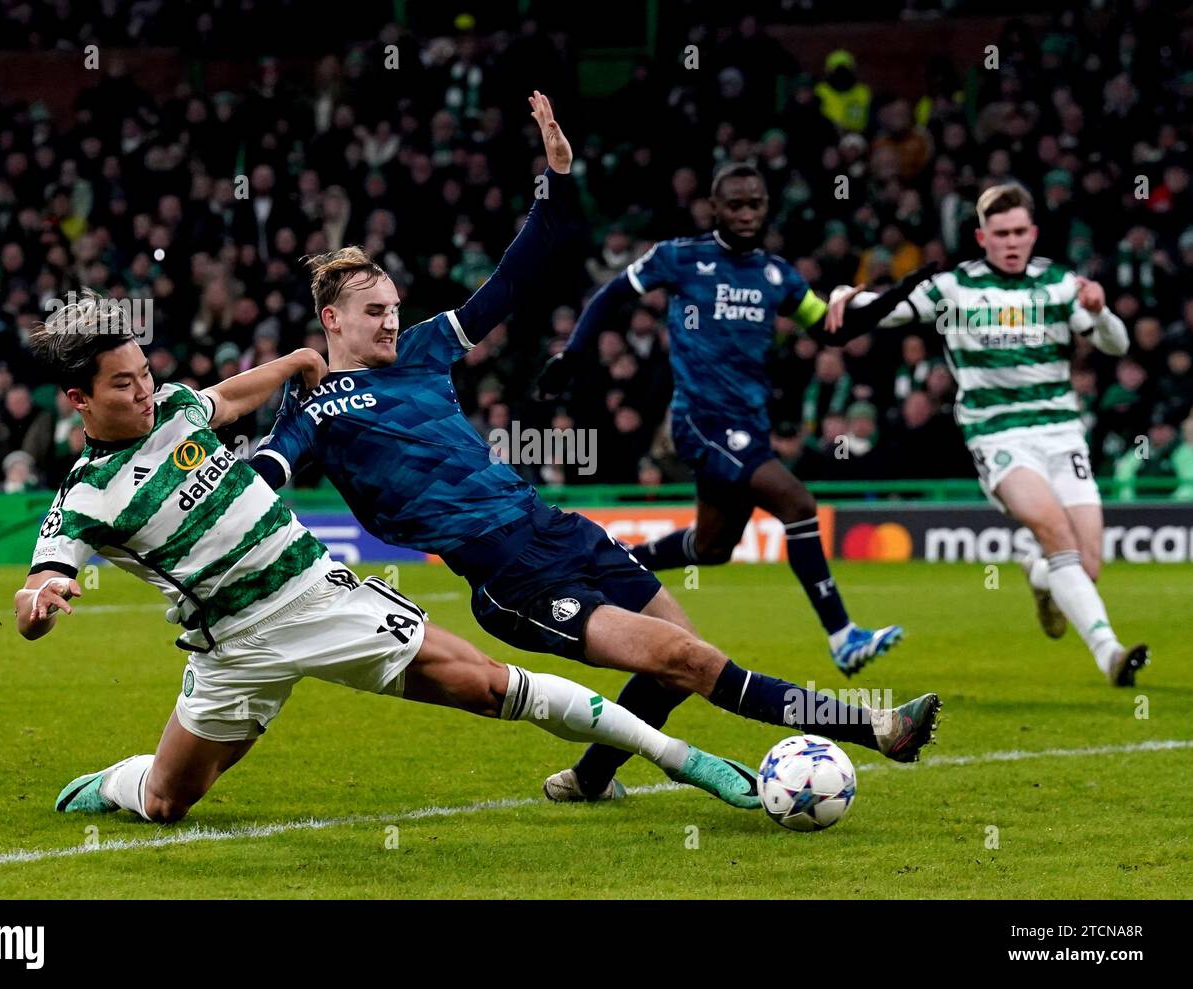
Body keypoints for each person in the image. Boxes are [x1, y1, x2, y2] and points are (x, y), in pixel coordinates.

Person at [250, 95, 941, 804]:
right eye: (376, 312)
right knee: (688, 658)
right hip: (509, 575)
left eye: (395, 306)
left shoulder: (424, 349)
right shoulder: (314, 403)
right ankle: (875, 726)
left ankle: (589, 777)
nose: (393, 320)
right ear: (331, 319)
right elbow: (269, 468)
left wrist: (554, 178)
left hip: (558, 528)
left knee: (681, 657)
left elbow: (511, 280)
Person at [18, 292, 790, 822]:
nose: (147, 391)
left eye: (146, 373)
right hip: (232, 645)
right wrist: (41, 603)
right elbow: (44, 574)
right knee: (166, 803)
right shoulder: (85, 498)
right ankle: (113, 784)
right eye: (125, 385)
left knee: (491, 685)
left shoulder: (177, 405)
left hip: (320, 596)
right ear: (79, 401)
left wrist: (290, 365)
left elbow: (226, 396)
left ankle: (681, 757)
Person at [538, 162, 928, 675]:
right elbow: (613, 294)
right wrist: (573, 352)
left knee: (712, 546)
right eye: (736, 204)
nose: (747, 213)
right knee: (797, 502)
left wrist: (899, 294)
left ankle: (611, 562)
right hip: (701, 421)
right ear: (715, 208)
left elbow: (833, 330)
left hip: (748, 425)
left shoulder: (777, 276)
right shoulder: (681, 258)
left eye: (756, 204)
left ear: (766, 208)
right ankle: (843, 636)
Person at [825, 182, 1149, 686]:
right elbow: (890, 308)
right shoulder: (955, 289)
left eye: (1020, 231)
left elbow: (1117, 344)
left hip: (1062, 434)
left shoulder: (1062, 285)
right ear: (982, 237)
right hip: (998, 435)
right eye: (1001, 233)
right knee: (1055, 532)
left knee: (1086, 565)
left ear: (1034, 232)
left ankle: (1040, 577)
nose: (1012, 242)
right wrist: (851, 295)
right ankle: (1109, 653)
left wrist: (1102, 311)